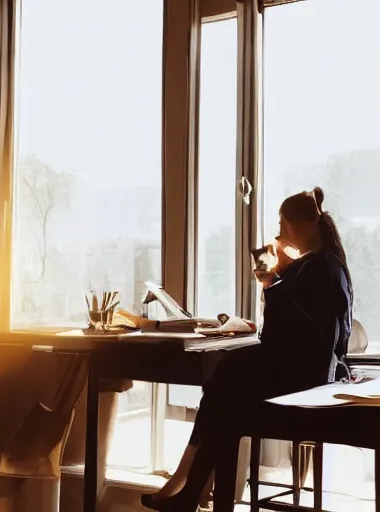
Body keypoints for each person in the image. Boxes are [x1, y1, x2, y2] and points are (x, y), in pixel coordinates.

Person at [141, 187, 354, 512]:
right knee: (224, 392)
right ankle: (188, 489)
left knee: (224, 383)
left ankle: (187, 487)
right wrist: (277, 280)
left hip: (304, 380)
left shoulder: (318, 268)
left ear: (302, 226)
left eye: (283, 225)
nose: (280, 234)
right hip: (308, 374)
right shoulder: (326, 266)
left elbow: (287, 338)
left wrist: (272, 281)